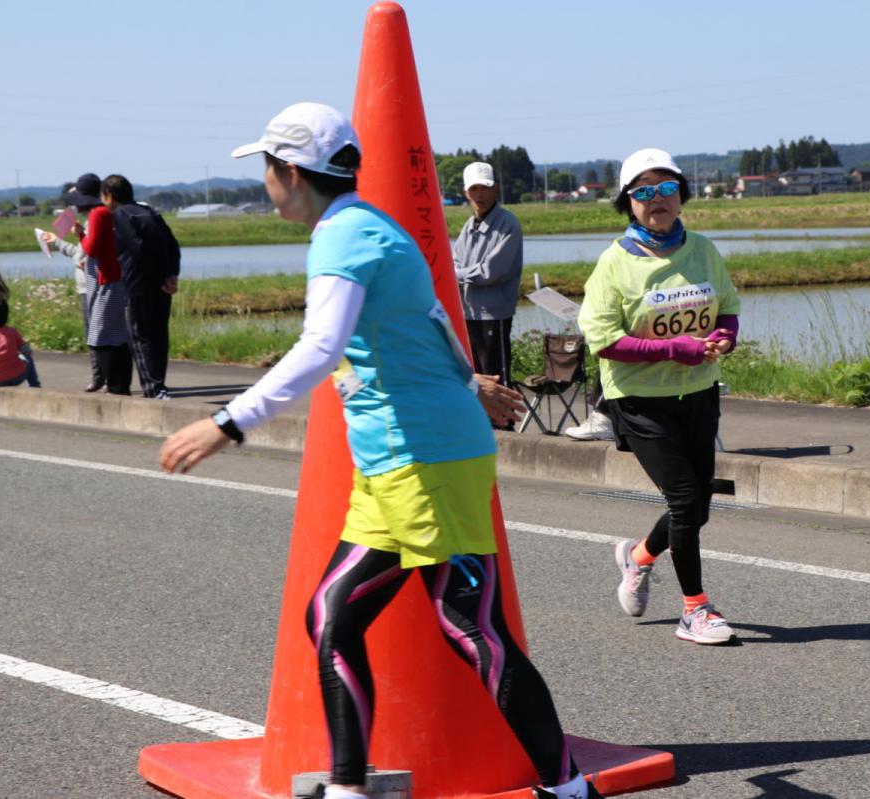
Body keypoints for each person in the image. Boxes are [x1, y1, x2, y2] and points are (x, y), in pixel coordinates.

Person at [158, 103, 598, 799]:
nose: (264, 184)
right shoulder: (367, 226)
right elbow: (430, 319)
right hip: (396, 462)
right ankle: (348, 787)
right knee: (332, 614)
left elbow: (320, 347)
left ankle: (568, 788)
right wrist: (470, 381)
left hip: (422, 458)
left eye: (267, 170)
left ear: (291, 173)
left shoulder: (345, 237)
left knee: (472, 629)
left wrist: (229, 422)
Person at [577, 148, 740, 645]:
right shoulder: (614, 264)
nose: (657, 200)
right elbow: (603, 339)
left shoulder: (702, 249)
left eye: (666, 188)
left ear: (681, 196)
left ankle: (639, 556)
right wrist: (674, 348)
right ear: (628, 203)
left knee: (698, 508)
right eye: (643, 192)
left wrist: (724, 337)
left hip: (698, 391)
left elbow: (728, 308)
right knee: (687, 500)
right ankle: (695, 610)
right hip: (639, 399)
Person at [102, 174, 180, 399]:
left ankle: (153, 389)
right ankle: (159, 386)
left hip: (137, 285)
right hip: (163, 285)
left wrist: (158, 278)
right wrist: (170, 276)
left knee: (139, 337)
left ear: (109, 196)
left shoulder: (120, 215)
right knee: (158, 336)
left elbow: (137, 248)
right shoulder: (149, 212)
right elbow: (173, 246)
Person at [452, 162, 523, 414]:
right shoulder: (468, 226)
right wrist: (461, 273)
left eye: (485, 188)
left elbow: (491, 271)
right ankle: (483, 426)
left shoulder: (508, 224)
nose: (479, 195)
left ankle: (506, 426)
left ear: (496, 190)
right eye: (474, 189)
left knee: (496, 376)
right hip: (468, 312)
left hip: (494, 313)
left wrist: (458, 274)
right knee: (475, 375)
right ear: (466, 193)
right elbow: (456, 260)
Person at [62, 173, 133, 394]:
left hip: (105, 280)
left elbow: (91, 249)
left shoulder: (98, 214)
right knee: (116, 332)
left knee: (102, 333)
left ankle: (113, 383)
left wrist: (80, 234)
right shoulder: (111, 213)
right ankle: (117, 383)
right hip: (113, 277)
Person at [41, 189, 105, 391]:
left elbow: (85, 256)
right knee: (92, 334)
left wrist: (69, 238)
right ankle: (99, 377)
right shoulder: (87, 221)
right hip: (86, 285)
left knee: (100, 334)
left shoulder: (97, 219)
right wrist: (61, 240)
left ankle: (105, 378)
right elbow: (80, 254)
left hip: (94, 284)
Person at [0, 296, 41, 388]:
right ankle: (35, 385)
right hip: (19, 376)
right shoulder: (12, 331)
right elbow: (27, 351)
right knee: (27, 358)